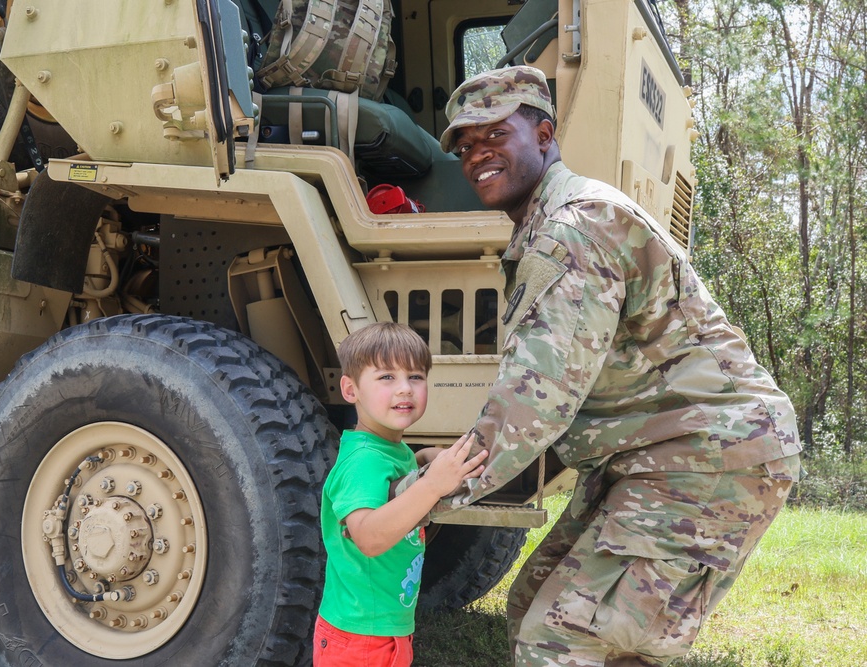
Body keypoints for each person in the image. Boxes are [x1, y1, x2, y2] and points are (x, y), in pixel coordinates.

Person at [394, 66, 803, 667]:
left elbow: (539, 398)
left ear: (543, 134)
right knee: (542, 603)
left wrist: (414, 498)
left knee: (563, 643)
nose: (478, 155)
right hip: (650, 453)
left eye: (495, 136)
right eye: (466, 146)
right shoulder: (548, 222)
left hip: (707, 457)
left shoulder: (573, 228)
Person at [315, 321, 488, 666]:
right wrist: (431, 484)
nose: (405, 389)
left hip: (382, 628)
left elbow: (398, 482)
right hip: (359, 639)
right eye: (386, 377)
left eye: (416, 377)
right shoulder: (363, 462)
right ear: (350, 390)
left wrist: (424, 459)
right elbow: (368, 537)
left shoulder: (391, 449)